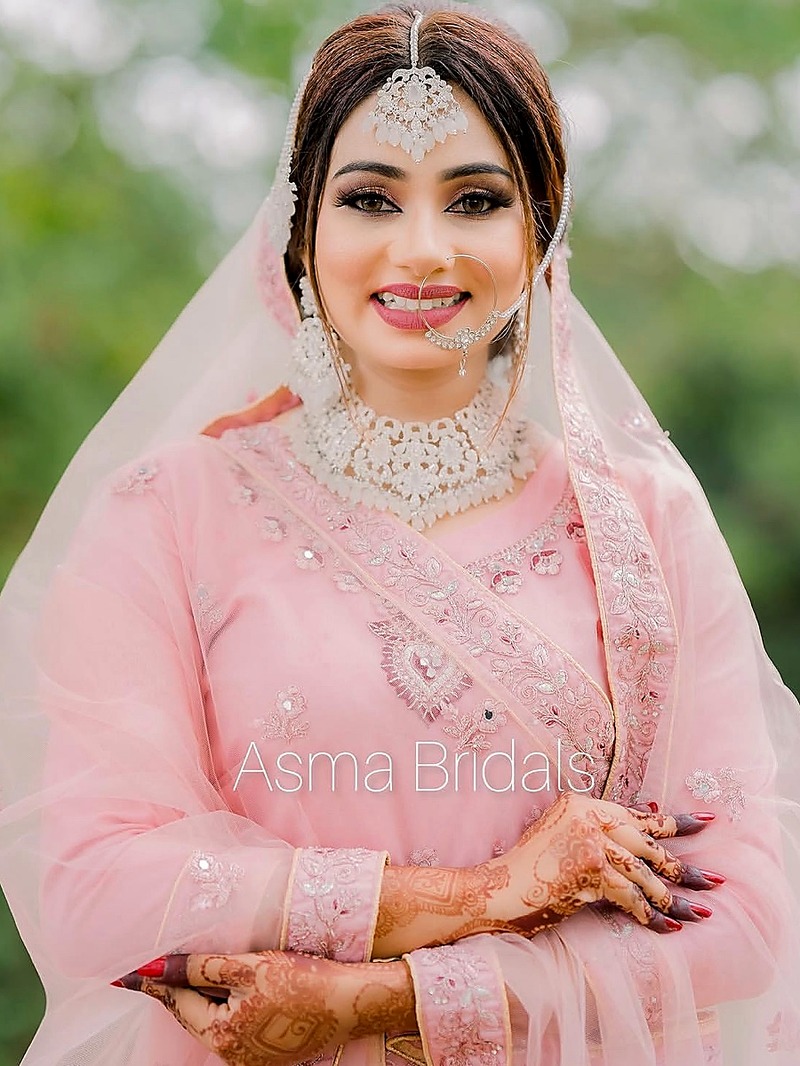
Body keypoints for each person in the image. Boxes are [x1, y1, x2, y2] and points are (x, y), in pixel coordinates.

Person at [1, 4, 799, 1065]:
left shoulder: (643, 520)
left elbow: (740, 922)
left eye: (475, 200)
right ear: (298, 232)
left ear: (540, 231)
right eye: (369, 197)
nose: (421, 249)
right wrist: (485, 893)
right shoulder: (166, 511)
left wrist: (382, 1002)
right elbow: (97, 889)